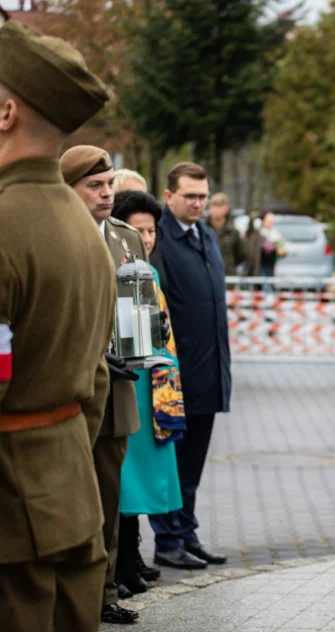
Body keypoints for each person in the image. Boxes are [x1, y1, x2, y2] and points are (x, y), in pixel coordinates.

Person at [0, 20, 114, 632]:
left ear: (7, 112)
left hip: (13, 523)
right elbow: (93, 382)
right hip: (73, 496)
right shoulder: (84, 229)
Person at [60, 145, 150, 626]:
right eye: (95, 186)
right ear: (69, 189)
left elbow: (141, 302)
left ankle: (103, 593)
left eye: (110, 183)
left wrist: (140, 346)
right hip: (67, 386)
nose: (107, 193)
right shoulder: (52, 233)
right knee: (66, 496)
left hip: (115, 386)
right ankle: (63, 592)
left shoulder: (126, 237)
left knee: (109, 496)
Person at [149, 162, 231, 569]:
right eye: (190, 196)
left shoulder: (207, 236)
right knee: (172, 462)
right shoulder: (159, 239)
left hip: (210, 370)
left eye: (202, 196)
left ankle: (187, 531)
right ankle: (167, 540)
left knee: (193, 464)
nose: (199, 203)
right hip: (174, 377)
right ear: (169, 197)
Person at [111, 190, 185, 596]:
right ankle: (122, 561)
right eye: (139, 229)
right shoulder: (123, 268)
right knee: (126, 477)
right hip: (129, 378)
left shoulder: (149, 270)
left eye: (151, 229)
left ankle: (132, 556)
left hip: (155, 381)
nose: (147, 236)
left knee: (145, 475)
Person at [206, 192, 245, 276]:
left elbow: (241, 255)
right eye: (213, 205)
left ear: (226, 208)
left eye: (219, 206)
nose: (215, 209)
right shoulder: (203, 230)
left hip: (227, 276)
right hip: (206, 275)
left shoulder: (233, 232)